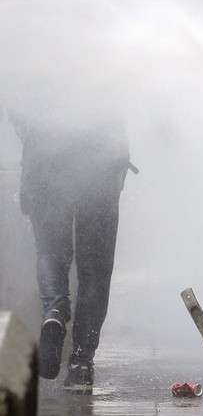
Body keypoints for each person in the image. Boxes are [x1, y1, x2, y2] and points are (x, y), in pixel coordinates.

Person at [9, 100, 131, 392]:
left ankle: (54, 310)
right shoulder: (109, 58)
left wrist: (33, 135)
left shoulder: (33, 60)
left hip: (45, 165)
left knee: (50, 250)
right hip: (100, 164)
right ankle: (81, 364)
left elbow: (14, 101)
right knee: (95, 269)